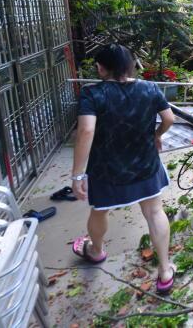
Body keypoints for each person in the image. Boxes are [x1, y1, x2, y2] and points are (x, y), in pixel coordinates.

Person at [69, 44, 176, 294]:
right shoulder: (149, 88)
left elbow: (86, 131)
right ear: (130, 65)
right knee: (155, 212)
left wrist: (77, 174)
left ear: (101, 68)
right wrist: (156, 135)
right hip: (145, 164)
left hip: (107, 169)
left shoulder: (92, 94)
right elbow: (169, 118)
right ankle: (164, 271)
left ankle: (96, 251)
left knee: (100, 210)